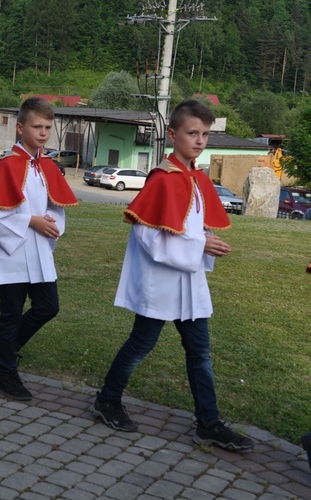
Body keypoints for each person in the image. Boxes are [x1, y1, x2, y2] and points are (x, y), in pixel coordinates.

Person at [90, 99, 255, 451]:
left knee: (200, 353)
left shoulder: (195, 178)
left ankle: (208, 423)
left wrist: (206, 240)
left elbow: (186, 226)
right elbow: (148, 236)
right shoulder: (163, 179)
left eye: (205, 135)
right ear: (172, 134)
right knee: (141, 344)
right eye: (192, 133)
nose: (199, 141)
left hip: (189, 283)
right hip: (161, 282)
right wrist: (199, 247)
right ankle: (107, 400)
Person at [0, 97, 77, 400]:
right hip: (12, 251)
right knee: (11, 314)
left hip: (39, 250)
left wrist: (51, 221)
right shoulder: (7, 165)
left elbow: (57, 206)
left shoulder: (46, 166)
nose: (43, 133)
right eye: (37, 126)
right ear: (20, 128)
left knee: (48, 306)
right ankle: (5, 373)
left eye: (47, 127)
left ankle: (3, 349)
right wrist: (31, 220)